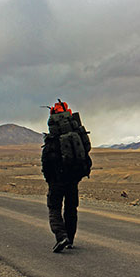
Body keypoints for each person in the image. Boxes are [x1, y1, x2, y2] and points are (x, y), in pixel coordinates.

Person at [41, 100, 91, 253]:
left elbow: (46, 161)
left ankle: (61, 236)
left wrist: (49, 178)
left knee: (54, 207)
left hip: (56, 179)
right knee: (71, 208)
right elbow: (86, 151)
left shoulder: (53, 138)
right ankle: (70, 239)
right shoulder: (76, 135)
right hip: (73, 177)